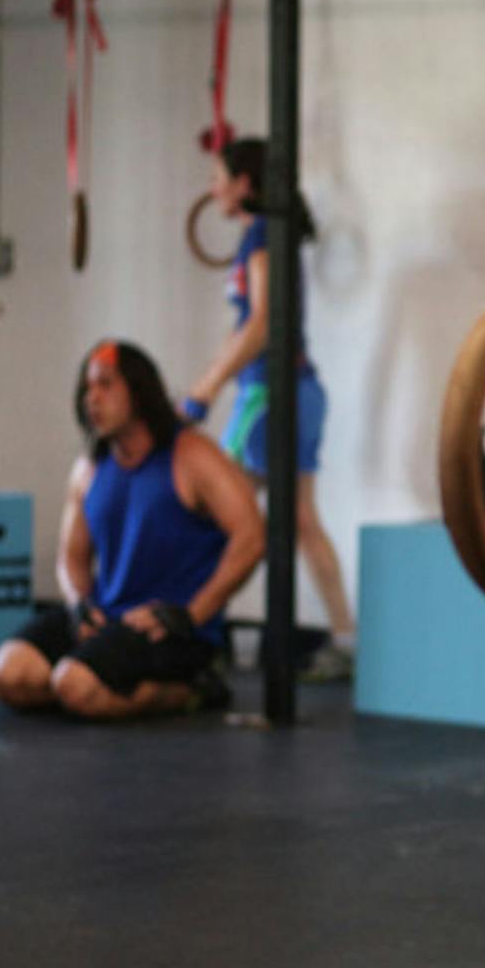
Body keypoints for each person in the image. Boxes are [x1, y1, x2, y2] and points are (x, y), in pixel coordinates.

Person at [0, 340, 265, 719]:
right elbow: (73, 555)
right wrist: (77, 603)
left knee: (75, 684)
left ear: (139, 391)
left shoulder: (192, 455)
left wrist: (193, 614)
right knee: (8, 675)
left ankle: (193, 688)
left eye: (105, 385)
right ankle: (91, 683)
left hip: (170, 628)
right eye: (87, 387)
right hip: (109, 618)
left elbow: (251, 536)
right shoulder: (89, 468)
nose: (92, 398)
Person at [182, 136, 358, 681]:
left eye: (219, 177)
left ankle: (199, 634)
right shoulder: (263, 236)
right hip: (294, 390)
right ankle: (346, 641)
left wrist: (207, 387)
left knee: (214, 512)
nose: (211, 188)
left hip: (270, 395)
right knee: (301, 521)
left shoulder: (260, 234)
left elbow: (260, 324)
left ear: (244, 184)